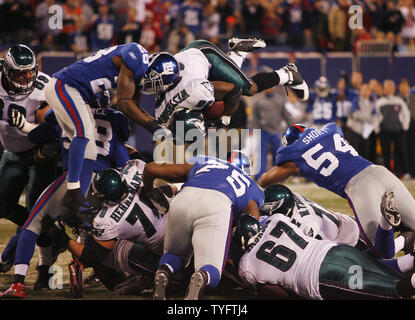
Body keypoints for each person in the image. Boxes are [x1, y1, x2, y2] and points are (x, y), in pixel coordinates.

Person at [0, 99, 131, 299]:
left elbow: (37, 135)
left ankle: (19, 283)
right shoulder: (115, 119)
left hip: (74, 180)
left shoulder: (64, 113)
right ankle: (112, 271)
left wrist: (25, 126)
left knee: (33, 223)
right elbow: (123, 161)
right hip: (106, 185)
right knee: (107, 233)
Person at [42, 43, 180, 230]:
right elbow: (124, 104)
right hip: (66, 86)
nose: (152, 88)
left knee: (88, 147)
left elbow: (132, 106)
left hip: (73, 91)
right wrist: (156, 128)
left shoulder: (136, 70)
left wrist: (159, 128)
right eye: (155, 82)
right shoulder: (135, 57)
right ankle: (73, 190)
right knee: (84, 133)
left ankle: (76, 207)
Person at [258, 122, 415, 256]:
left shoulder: (294, 156)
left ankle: (403, 237)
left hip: (359, 186)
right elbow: (340, 136)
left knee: (381, 249)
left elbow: (265, 180)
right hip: (380, 171)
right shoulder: (330, 131)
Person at [143, 152, 264, 300]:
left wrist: (148, 190)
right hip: (216, 206)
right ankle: (202, 276)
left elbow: (151, 168)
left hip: (183, 199)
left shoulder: (205, 163)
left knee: (174, 255)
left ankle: (164, 271)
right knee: (210, 267)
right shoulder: (249, 184)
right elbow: (252, 219)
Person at [234, 213, 415, 300]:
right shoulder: (277, 219)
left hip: (324, 276)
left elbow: (276, 294)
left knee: (395, 290)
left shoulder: (246, 265)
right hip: (337, 250)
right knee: (393, 280)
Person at [153, 38, 309, 133]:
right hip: (187, 60)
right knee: (224, 83)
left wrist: (225, 118)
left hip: (203, 53)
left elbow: (235, 90)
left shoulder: (196, 93)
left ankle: (287, 74)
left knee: (249, 88)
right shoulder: (161, 116)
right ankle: (238, 53)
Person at [0, 44, 56, 271]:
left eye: (29, 72)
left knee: (35, 212)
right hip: (11, 152)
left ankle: (40, 267)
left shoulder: (45, 87)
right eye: (19, 73)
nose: (25, 78)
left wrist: (28, 126)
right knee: (2, 206)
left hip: (38, 155)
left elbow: (52, 126)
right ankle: (46, 232)